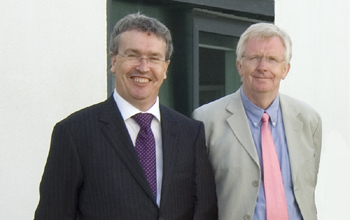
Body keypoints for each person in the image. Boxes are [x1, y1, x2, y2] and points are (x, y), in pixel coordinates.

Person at [35, 13, 217, 220]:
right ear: (113, 61)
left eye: (154, 58)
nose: (143, 66)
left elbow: (204, 212)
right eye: (132, 55)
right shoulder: (73, 133)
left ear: (165, 68)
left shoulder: (190, 133)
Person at [192, 23, 322, 220]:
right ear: (239, 66)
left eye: (272, 59)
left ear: (285, 70)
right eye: (254, 58)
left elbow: (307, 190)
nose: (263, 67)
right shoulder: (206, 121)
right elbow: (198, 200)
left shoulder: (308, 120)